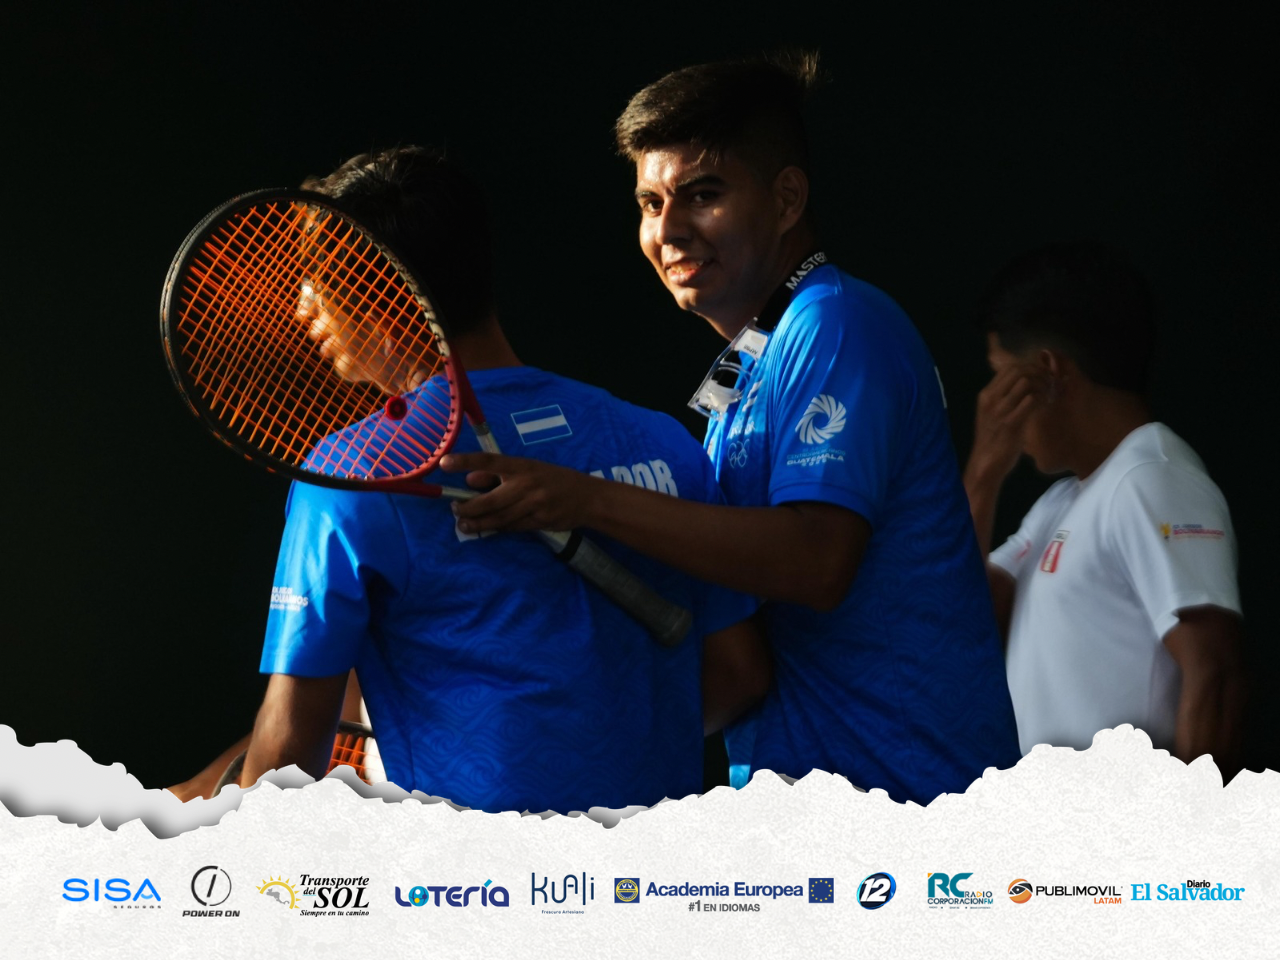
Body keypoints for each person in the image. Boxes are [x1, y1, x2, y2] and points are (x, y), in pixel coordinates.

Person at [446, 53, 1021, 805]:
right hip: (807, 813)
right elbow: (742, 667)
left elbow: (816, 562)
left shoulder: (836, 324)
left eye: (703, 195)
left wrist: (584, 500)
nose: (668, 230)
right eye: (650, 202)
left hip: (912, 814)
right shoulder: (753, 361)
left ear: (786, 199)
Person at [169, 146, 766, 812]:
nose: (304, 307)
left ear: (377, 290)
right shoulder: (663, 442)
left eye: (318, 279)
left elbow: (287, 764)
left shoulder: (351, 476)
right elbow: (738, 676)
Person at [963, 241, 1245, 775]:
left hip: (1126, 827)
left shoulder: (1151, 477)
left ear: (1046, 372)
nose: (992, 401)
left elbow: (1216, 674)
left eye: (1000, 376)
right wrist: (982, 476)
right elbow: (956, 617)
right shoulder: (1061, 503)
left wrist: (1194, 824)